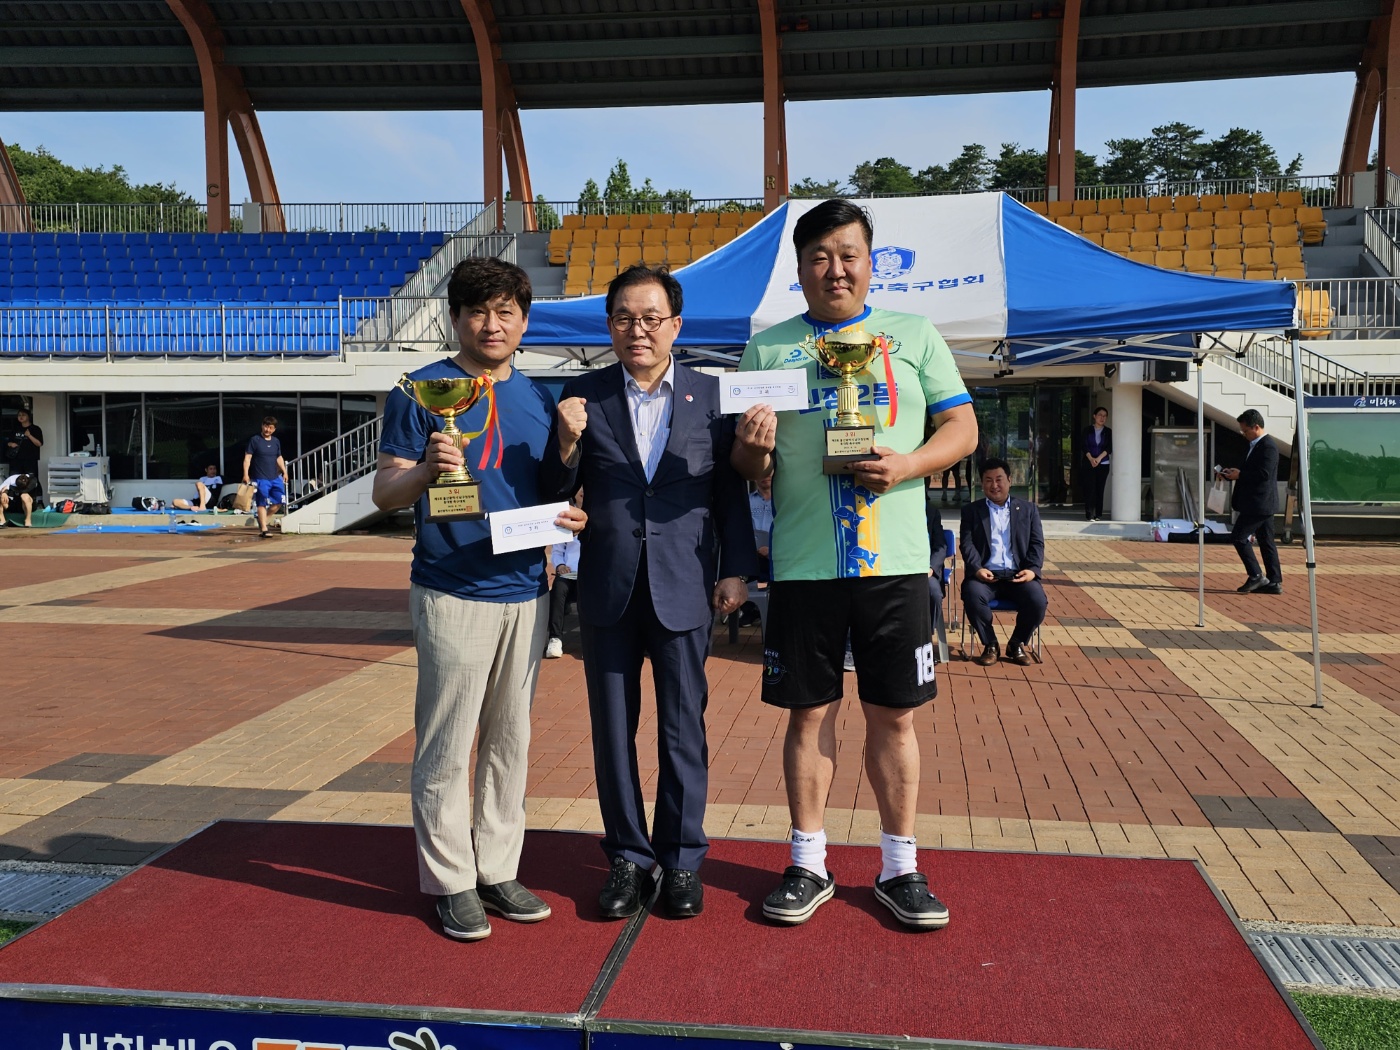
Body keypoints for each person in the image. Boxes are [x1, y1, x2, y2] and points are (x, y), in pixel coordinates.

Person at [731, 199, 977, 930]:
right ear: (800, 268)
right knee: (808, 714)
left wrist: (908, 465)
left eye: (848, 254)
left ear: (871, 262)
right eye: (819, 256)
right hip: (805, 562)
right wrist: (754, 444)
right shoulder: (769, 348)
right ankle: (809, 863)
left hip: (896, 562)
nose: (835, 269)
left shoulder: (914, 335)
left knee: (894, 716)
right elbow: (748, 467)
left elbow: (962, 426)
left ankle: (900, 869)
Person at [372, 257, 587, 942]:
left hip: (525, 590)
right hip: (451, 587)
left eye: (506, 312)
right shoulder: (419, 390)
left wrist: (570, 514)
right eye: (478, 311)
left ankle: (497, 868)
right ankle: (449, 879)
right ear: (455, 318)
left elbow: (551, 498)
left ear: (524, 321)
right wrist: (428, 471)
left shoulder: (541, 401)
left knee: (510, 742)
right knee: (448, 740)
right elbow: (385, 493)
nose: (492, 325)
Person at [545, 264, 757, 922]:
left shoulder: (711, 396)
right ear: (609, 325)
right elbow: (553, 492)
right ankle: (628, 858)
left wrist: (736, 569)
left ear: (676, 326)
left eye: (651, 318)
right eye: (624, 318)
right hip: (607, 584)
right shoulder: (581, 396)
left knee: (681, 730)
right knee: (612, 731)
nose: (638, 330)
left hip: (684, 582)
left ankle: (682, 859)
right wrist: (564, 443)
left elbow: (730, 493)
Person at [960, 458, 1047, 667]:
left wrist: (1032, 571)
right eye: (988, 480)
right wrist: (977, 569)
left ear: (1009, 480)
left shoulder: (1028, 510)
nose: (994, 485)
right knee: (972, 595)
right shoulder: (972, 511)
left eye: (999, 479)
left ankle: (1016, 643)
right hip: (985, 576)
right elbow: (967, 544)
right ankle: (990, 644)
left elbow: (1037, 543)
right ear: (982, 484)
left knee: (1037, 601)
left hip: (1018, 575)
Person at [1219, 408, 1281, 595]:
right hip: (1259, 503)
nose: (1243, 434)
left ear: (1256, 427)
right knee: (1266, 541)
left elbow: (1264, 474)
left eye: (1245, 431)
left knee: (1238, 536)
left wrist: (1241, 474)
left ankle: (1256, 575)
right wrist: (1236, 473)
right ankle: (1274, 581)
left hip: (1259, 503)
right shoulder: (1255, 445)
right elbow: (1253, 470)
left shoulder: (1268, 446)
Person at [544, 490, 583, 659]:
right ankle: (555, 638)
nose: (584, 494)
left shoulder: (600, 515)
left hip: (589, 573)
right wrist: (559, 565)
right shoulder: (566, 517)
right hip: (568, 573)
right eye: (581, 492)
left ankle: (590, 641)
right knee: (558, 591)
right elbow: (558, 550)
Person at [737, 474, 774, 627]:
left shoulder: (783, 501)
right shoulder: (746, 501)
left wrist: (771, 549)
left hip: (777, 555)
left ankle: (767, 611)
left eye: (769, 472)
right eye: (760, 472)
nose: (765, 476)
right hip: (751, 555)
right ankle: (750, 609)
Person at [242, 417, 287, 538]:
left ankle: (263, 519)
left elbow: (279, 457)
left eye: (270, 427)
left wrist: (284, 471)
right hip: (260, 477)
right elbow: (247, 458)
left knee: (279, 501)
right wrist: (246, 474)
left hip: (275, 477)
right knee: (261, 503)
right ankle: (264, 529)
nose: (268, 429)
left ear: (274, 429)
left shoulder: (276, 441)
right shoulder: (255, 440)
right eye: (266, 426)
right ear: (262, 426)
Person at [5, 409, 43, 501]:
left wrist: (29, 435)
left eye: (23, 415)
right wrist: (11, 444)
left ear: (28, 416)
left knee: (31, 480)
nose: (21, 417)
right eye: (19, 415)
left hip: (30, 459)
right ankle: (14, 501)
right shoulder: (15, 429)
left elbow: (39, 444)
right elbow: (8, 442)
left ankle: (34, 500)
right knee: (14, 479)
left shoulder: (35, 429)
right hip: (16, 459)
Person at [1082, 406, 1111, 521]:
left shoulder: (1108, 432)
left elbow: (1109, 448)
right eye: (1100, 415)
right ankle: (1089, 514)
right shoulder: (1087, 430)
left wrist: (1098, 459)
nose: (1102, 418)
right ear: (1094, 416)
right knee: (1090, 488)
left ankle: (1098, 514)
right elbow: (1084, 446)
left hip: (1103, 463)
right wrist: (1091, 459)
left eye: (1104, 416)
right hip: (1089, 463)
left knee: (1100, 488)